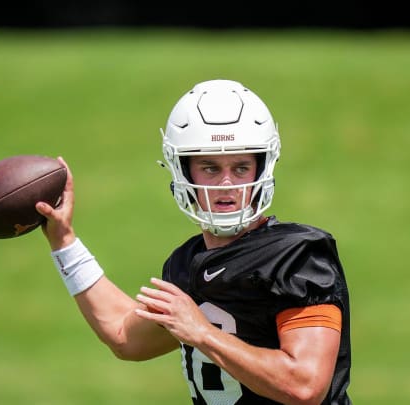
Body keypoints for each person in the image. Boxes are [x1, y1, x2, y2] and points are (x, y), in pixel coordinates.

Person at [35, 79, 352, 405]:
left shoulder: (295, 257)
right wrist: (64, 241)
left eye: (241, 167)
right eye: (210, 167)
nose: (227, 183)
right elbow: (124, 336)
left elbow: (305, 386)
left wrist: (203, 333)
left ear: (262, 168)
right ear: (184, 171)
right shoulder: (187, 263)